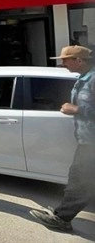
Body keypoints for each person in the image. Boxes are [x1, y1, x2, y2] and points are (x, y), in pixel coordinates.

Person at [30, 45, 95, 232]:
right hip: (87, 140)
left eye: (65, 60)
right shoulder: (83, 78)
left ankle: (62, 218)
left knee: (80, 181)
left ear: (79, 60)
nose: (62, 63)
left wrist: (76, 109)